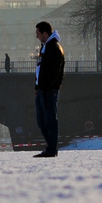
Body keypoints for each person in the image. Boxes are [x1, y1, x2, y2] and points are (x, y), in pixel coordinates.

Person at [33, 21, 65, 157]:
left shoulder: (54, 48)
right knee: (41, 121)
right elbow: (40, 70)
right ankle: (50, 147)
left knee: (50, 120)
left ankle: (52, 149)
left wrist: (46, 88)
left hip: (49, 91)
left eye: (38, 34)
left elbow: (55, 73)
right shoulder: (45, 47)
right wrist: (37, 87)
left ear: (45, 33)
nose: (37, 37)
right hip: (42, 90)